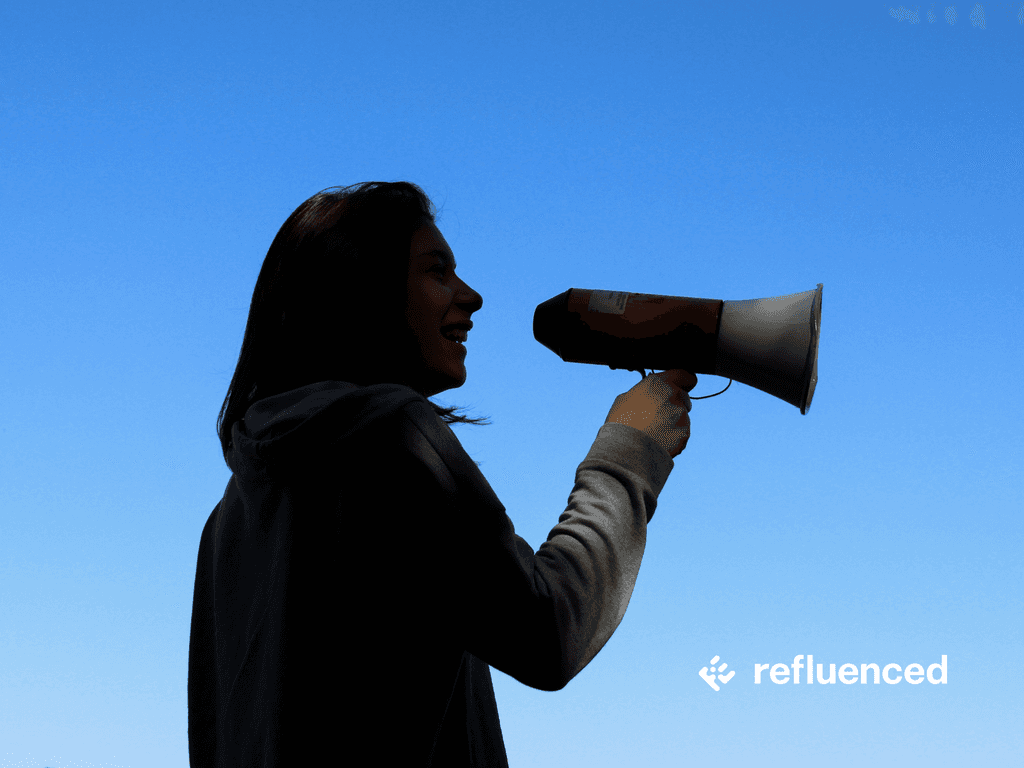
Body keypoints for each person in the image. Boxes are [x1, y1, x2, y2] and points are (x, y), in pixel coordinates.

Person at [187, 181, 697, 767]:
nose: (472, 297)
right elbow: (552, 630)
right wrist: (631, 450)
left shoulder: (226, 522)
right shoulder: (388, 433)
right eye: (437, 271)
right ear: (361, 289)